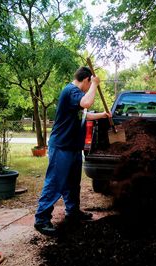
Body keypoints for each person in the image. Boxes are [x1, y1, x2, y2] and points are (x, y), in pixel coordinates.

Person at [34, 66, 111, 236]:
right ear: (86, 80)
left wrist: (102, 115)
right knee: (55, 182)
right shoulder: (71, 91)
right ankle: (41, 219)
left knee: (72, 184)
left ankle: (73, 212)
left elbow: (84, 114)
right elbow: (86, 102)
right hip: (62, 146)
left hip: (73, 147)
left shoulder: (75, 96)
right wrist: (95, 85)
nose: (89, 88)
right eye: (89, 84)